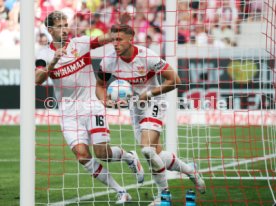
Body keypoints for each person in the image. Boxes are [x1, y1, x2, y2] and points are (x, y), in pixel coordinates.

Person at [35, 11, 144, 204]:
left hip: (92, 105)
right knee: (82, 155)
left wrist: (119, 29)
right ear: (50, 30)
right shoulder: (43, 54)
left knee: (102, 154)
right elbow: (37, 79)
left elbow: (104, 39)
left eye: (66, 25)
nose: (64, 29)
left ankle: (129, 157)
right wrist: (54, 61)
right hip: (68, 113)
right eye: (59, 26)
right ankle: (121, 191)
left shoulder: (80, 43)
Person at [96, 24, 206, 205]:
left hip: (155, 101)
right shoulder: (108, 61)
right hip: (135, 106)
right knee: (156, 153)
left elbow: (175, 80)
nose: (115, 43)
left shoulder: (147, 56)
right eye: (113, 39)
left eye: (119, 39)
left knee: (147, 149)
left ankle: (163, 196)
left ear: (131, 39)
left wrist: (149, 93)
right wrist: (104, 100)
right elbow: (100, 85)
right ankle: (190, 170)